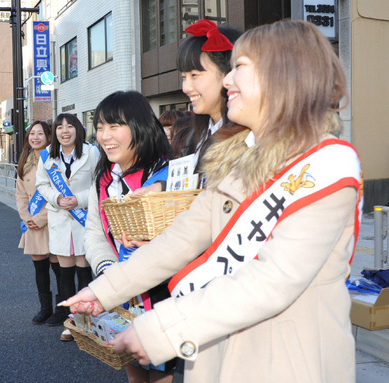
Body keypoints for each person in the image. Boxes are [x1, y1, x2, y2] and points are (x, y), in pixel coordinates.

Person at [65, 20, 362, 383]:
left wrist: (161, 329)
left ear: (283, 77)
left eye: (239, 68)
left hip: (286, 362)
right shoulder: (240, 160)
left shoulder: (326, 167)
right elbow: (182, 237)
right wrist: (103, 291)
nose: (226, 81)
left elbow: (273, 280)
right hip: (213, 351)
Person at [85, 90, 177, 382]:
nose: (105, 136)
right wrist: (109, 272)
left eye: (114, 126)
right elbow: (95, 233)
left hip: (163, 297)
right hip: (123, 298)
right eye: (100, 128)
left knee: (163, 375)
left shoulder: (167, 174)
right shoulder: (103, 180)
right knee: (134, 374)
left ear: (139, 127)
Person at [35, 113, 99, 341]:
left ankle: (88, 321)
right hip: (60, 219)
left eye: (70, 126)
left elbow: (99, 182)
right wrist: (57, 197)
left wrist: (79, 199)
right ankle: (70, 321)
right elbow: (41, 184)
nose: (65, 131)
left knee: (84, 273)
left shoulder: (91, 152)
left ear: (78, 129)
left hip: (83, 218)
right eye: (60, 127)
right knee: (64, 274)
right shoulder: (48, 157)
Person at [172, 19, 243, 174]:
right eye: (184, 77)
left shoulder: (249, 141)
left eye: (195, 75)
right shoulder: (196, 135)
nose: (185, 88)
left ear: (228, 73)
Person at [15, 121, 61, 325]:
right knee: (40, 269)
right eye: (32, 133)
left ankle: (64, 309)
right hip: (32, 222)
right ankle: (45, 309)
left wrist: (41, 218)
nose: (35, 137)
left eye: (40, 133)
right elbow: (21, 195)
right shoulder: (24, 161)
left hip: (53, 219)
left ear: (49, 137)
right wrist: (27, 218)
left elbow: (61, 193)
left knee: (59, 268)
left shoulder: (54, 160)